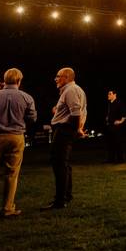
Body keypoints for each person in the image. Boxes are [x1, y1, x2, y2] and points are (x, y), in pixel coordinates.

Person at [0, 68, 37, 218]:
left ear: (5, 80)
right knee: (11, 174)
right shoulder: (27, 97)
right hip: (16, 137)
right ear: (19, 81)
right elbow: (32, 119)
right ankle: (7, 208)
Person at [44, 67, 87, 210]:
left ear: (67, 77)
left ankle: (60, 201)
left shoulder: (71, 90)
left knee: (59, 164)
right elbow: (80, 112)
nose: (55, 79)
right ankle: (66, 196)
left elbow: (76, 113)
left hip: (64, 131)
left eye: (58, 76)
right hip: (66, 129)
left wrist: (75, 129)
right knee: (64, 164)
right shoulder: (74, 90)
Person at [104, 89, 126, 164]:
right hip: (109, 126)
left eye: (110, 94)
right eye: (108, 94)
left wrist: (120, 121)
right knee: (110, 143)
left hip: (117, 127)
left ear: (115, 95)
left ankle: (120, 159)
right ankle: (111, 159)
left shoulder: (119, 103)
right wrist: (108, 118)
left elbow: (124, 115)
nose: (108, 95)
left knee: (118, 143)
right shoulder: (110, 103)